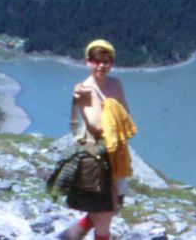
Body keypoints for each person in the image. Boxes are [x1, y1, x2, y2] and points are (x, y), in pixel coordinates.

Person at [58, 39, 136, 240]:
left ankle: (69, 236)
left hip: (117, 153)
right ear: (88, 62)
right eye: (95, 60)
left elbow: (126, 114)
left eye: (106, 60)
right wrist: (111, 112)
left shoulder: (116, 84)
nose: (101, 65)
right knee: (106, 211)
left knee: (110, 207)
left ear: (112, 62)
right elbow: (96, 125)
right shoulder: (84, 90)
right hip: (97, 156)